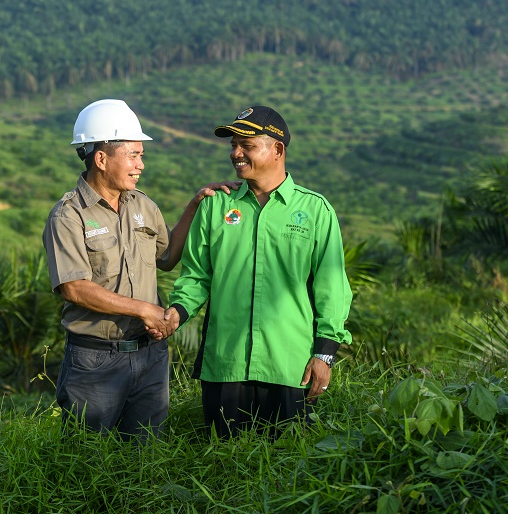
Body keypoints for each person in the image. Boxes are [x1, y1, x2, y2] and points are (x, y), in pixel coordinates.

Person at [44, 99, 236, 439]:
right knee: (86, 460)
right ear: (101, 159)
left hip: (149, 358)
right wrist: (144, 309)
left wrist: (195, 205)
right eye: (133, 155)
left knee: (145, 455)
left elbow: (166, 257)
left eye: (141, 155)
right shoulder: (69, 215)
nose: (140, 165)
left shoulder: (144, 205)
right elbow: (73, 286)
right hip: (95, 362)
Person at [164, 105, 352, 437]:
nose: (236, 153)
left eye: (246, 145)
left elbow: (332, 288)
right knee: (224, 468)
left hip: (290, 368)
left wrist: (325, 354)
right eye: (233, 145)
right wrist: (176, 313)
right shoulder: (216, 206)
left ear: (277, 149)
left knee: (288, 472)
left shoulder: (315, 210)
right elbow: (195, 275)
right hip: (225, 365)